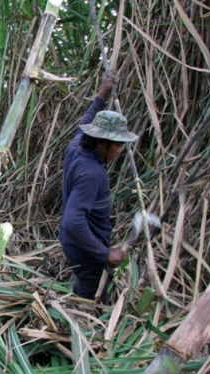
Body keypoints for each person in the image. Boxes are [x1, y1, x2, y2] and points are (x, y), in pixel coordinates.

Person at [60, 75, 138, 303]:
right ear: (101, 142)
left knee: (87, 284)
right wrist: (105, 253)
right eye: (117, 145)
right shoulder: (92, 174)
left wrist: (102, 95)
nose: (119, 151)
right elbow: (72, 221)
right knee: (92, 297)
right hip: (85, 250)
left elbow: (85, 119)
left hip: (75, 244)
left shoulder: (77, 146)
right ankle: (81, 332)